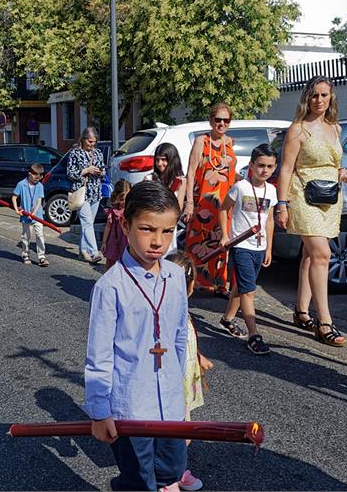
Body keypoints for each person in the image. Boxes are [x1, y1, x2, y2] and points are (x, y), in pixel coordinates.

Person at [85, 180, 190, 491]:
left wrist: (180, 392)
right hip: (130, 407)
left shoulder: (175, 277)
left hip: (169, 404)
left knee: (170, 471)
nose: (158, 241)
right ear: (126, 224)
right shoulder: (111, 286)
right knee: (138, 479)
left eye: (167, 231)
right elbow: (99, 354)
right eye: (147, 229)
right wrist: (100, 412)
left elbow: (180, 335)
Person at [276, 77, 347, 347]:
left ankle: (300, 310)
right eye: (314, 96)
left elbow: (330, 162)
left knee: (311, 254)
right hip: (302, 196)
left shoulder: (336, 128)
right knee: (323, 253)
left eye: (324, 95)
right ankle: (324, 321)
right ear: (306, 99)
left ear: (331, 97)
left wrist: (340, 171)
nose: (319, 100)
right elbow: (286, 169)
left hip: (329, 198)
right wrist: (282, 204)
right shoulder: (298, 130)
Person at [217, 144, 279, 355]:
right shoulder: (240, 187)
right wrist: (225, 235)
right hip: (241, 245)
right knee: (249, 290)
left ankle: (227, 319)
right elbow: (223, 208)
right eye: (260, 165)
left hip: (259, 247)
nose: (265, 170)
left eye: (270, 166)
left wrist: (269, 247)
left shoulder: (271, 190)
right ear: (251, 165)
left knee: (243, 285)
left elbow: (269, 219)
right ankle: (254, 335)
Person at [165, 250, 214, 492]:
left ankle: (176, 470)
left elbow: (185, 340)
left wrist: (198, 357)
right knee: (177, 432)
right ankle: (168, 477)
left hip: (184, 377)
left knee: (183, 430)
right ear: (192, 285)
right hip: (172, 384)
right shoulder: (164, 314)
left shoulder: (182, 310)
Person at [183, 103, 237, 297]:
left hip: (225, 205)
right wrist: (189, 203)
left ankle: (220, 284)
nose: (221, 123)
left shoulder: (230, 143)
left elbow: (230, 173)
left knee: (223, 243)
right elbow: (190, 173)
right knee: (198, 242)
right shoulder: (201, 141)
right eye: (218, 119)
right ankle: (192, 282)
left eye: (226, 120)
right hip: (203, 203)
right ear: (211, 120)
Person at [67, 127, 106, 264]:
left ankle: (82, 252)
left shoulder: (98, 153)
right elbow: (70, 173)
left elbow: (102, 169)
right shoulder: (75, 153)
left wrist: (101, 172)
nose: (92, 144)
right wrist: (86, 170)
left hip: (95, 192)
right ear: (83, 139)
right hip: (81, 192)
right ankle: (94, 252)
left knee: (87, 224)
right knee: (88, 222)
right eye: (90, 141)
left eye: (94, 142)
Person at [147, 143, 187, 254]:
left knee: (168, 256)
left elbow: (178, 208)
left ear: (172, 160)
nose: (160, 164)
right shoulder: (150, 179)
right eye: (157, 160)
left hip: (169, 226)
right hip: (152, 224)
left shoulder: (180, 181)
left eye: (164, 160)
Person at [12, 163, 49, 267]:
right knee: (26, 236)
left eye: (40, 178)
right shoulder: (21, 184)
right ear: (30, 174)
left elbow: (39, 201)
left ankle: (42, 257)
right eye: (36, 177)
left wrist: (33, 213)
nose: (37, 180)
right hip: (25, 216)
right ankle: (25, 254)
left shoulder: (40, 186)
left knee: (40, 235)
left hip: (37, 216)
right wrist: (16, 210)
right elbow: (14, 197)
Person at [101, 179, 131, 270]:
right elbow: (108, 226)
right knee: (110, 261)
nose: (123, 202)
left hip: (126, 241)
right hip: (113, 241)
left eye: (126, 199)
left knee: (126, 263)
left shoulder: (130, 211)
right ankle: (106, 281)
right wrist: (104, 242)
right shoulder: (113, 211)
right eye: (121, 199)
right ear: (116, 197)